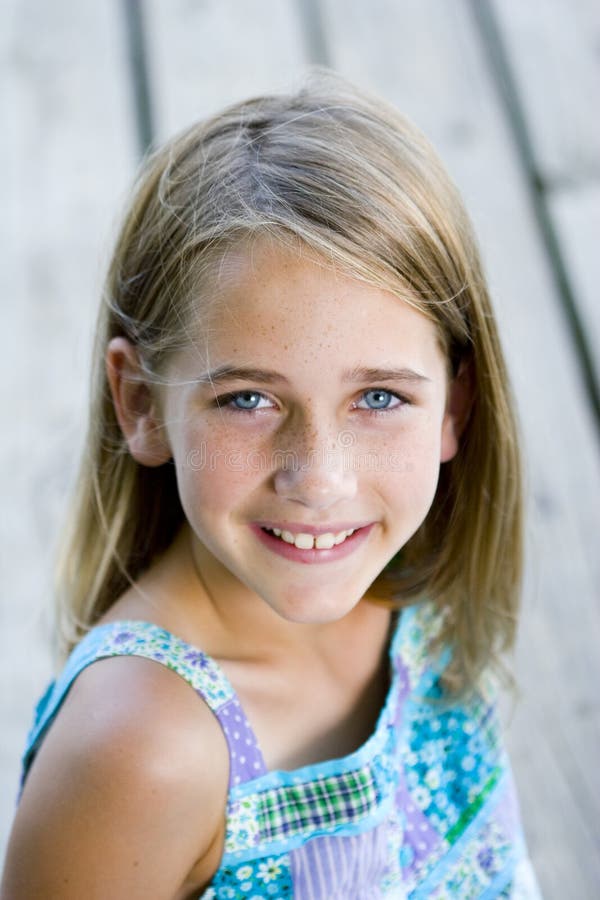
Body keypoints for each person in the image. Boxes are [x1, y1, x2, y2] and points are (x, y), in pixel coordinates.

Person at [1, 71, 542, 899]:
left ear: (454, 406)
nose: (320, 478)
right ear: (140, 404)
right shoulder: (143, 749)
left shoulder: (414, 579)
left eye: (380, 398)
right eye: (247, 399)